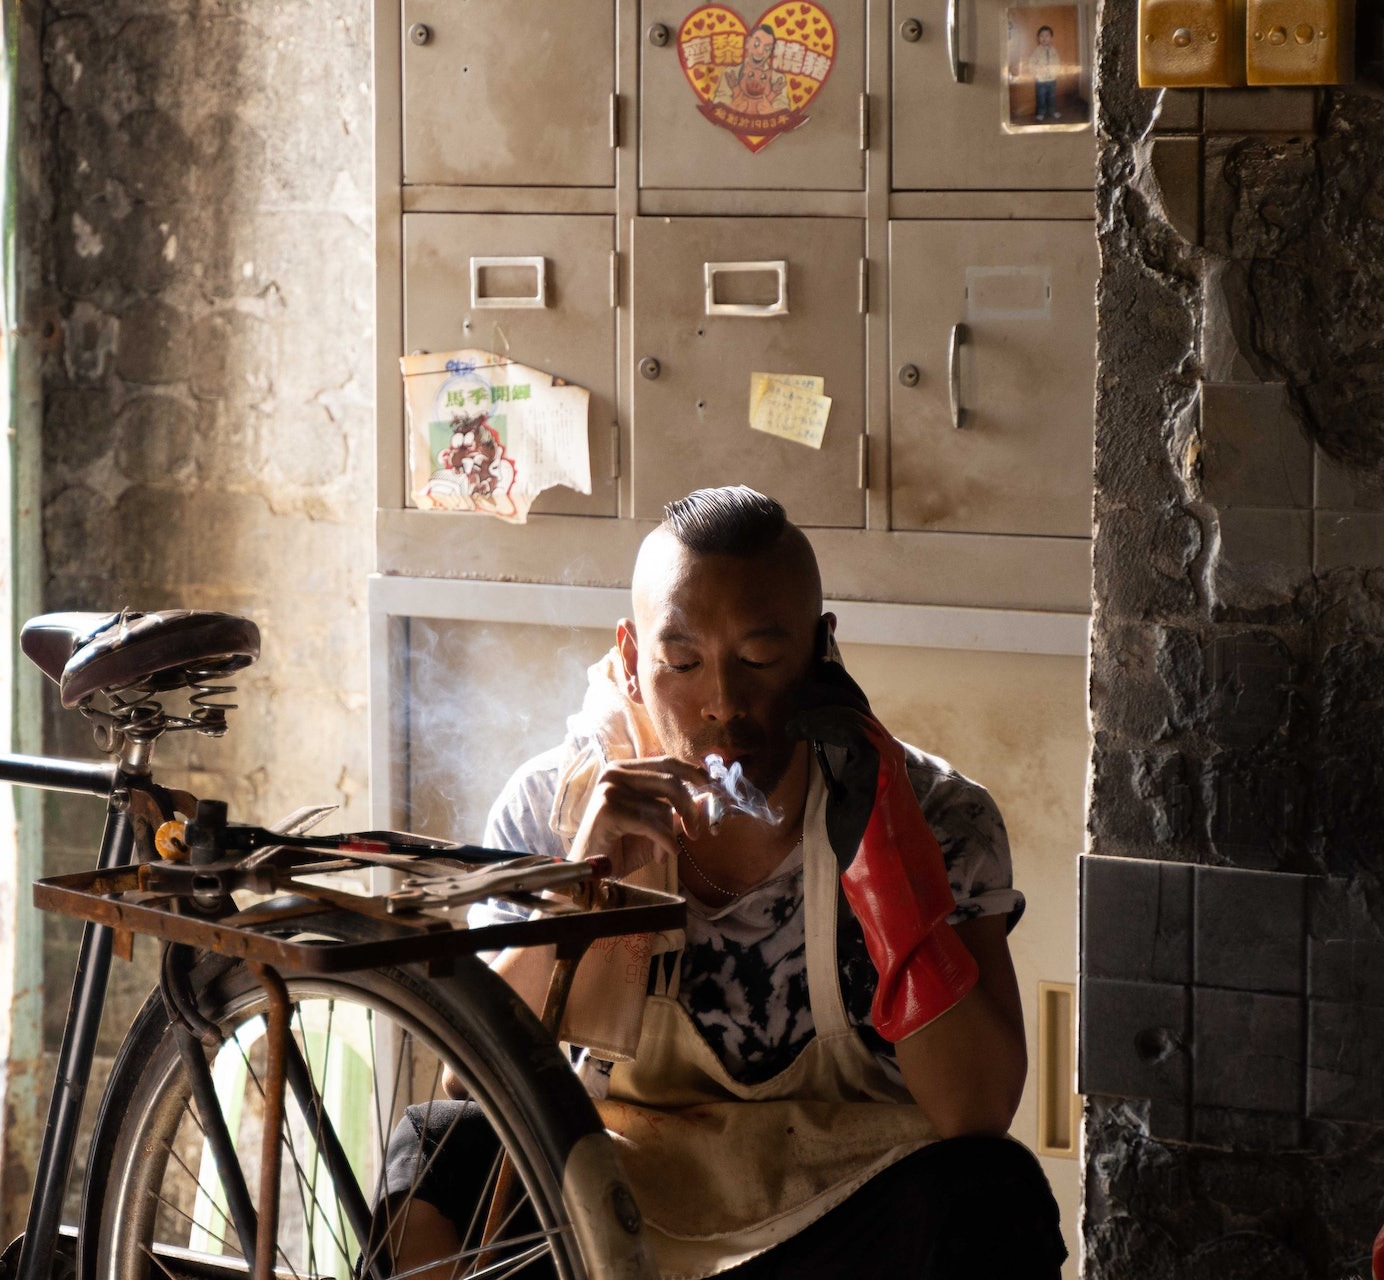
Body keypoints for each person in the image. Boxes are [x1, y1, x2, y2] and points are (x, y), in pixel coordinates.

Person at [382, 486, 1067, 1279]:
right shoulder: (554, 805)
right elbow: (472, 1076)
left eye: (760, 661)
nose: (722, 704)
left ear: (822, 653)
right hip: (624, 1214)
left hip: (840, 1212)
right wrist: (585, 891)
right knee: (438, 1146)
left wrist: (883, 858)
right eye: (682, 664)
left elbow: (974, 1111)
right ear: (633, 660)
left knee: (993, 1190)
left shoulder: (936, 815)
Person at [1028, 26, 1062, 121]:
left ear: (1051, 38)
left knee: (1052, 97)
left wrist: (1056, 71)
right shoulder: (1037, 51)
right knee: (1041, 98)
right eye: (1041, 36)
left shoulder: (1053, 50)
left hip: (1052, 79)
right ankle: (1041, 113)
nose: (1044, 38)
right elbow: (1031, 63)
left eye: (1047, 36)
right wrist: (1035, 73)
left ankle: (1052, 111)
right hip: (1041, 80)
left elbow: (1057, 62)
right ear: (1038, 38)